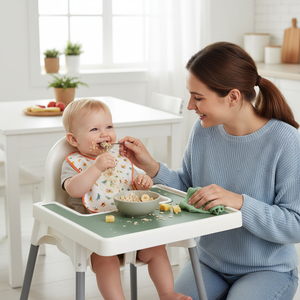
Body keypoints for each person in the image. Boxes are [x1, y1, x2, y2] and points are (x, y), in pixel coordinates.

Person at [119, 42, 300, 300]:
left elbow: (296, 224)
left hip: (268, 269)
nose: (191, 105)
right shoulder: (204, 130)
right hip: (208, 263)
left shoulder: (285, 140)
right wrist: (151, 166)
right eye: (190, 95)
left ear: (233, 97)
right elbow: (187, 187)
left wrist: (239, 202)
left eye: (199, 97)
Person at [61, 98, 192, 300]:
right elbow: (74, 190)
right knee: (106, 261)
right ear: (73, 140)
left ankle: (167, 293)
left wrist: (142, 184)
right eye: (94, 129)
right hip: (97, 235)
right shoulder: (74, 163)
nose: (104, 133)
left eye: (109, 126)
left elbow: (132, 190)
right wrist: (96, 167)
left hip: (132, 227)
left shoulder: (120, 160)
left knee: (157, 249)